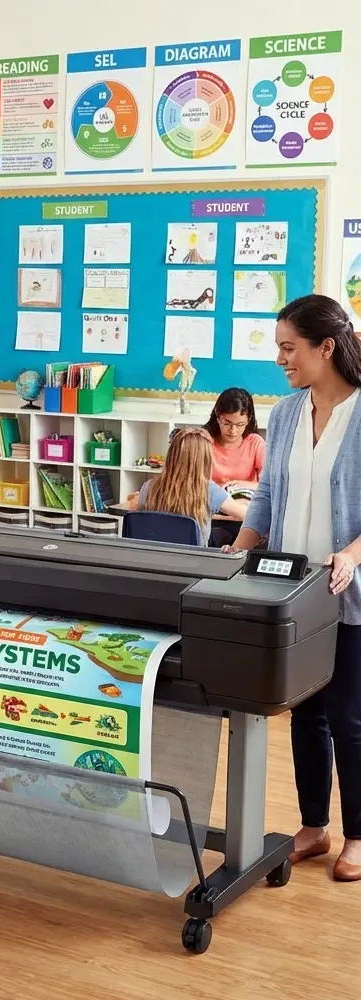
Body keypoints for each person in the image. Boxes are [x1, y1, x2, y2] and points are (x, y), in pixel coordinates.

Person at [225, 294, 361, 882]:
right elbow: (269, 496)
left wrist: (353, 555)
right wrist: (241, 547)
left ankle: (358, 834)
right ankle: (312, 824)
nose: (280, 358)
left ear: (324, 348)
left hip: (347, 592)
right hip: (291, 592)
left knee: (350, 717)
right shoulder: (282, 414)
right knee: (304, 713)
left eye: (289, 348)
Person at [134, 426, 248, 545]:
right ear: (205, 459)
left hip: (153, 559)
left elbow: (141, 521)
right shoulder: (208, 490)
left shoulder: (148, 487)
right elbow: (247, 516)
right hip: (193, 561)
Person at [204, 387, 266, 489]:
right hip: (210, 501)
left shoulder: (255, 443)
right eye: (227, 423)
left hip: (244, 500)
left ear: (248, 420)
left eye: (240, 424)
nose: (233, 431)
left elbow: (268, 486)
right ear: (217, 415)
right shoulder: (204, 442)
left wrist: (242, 485)